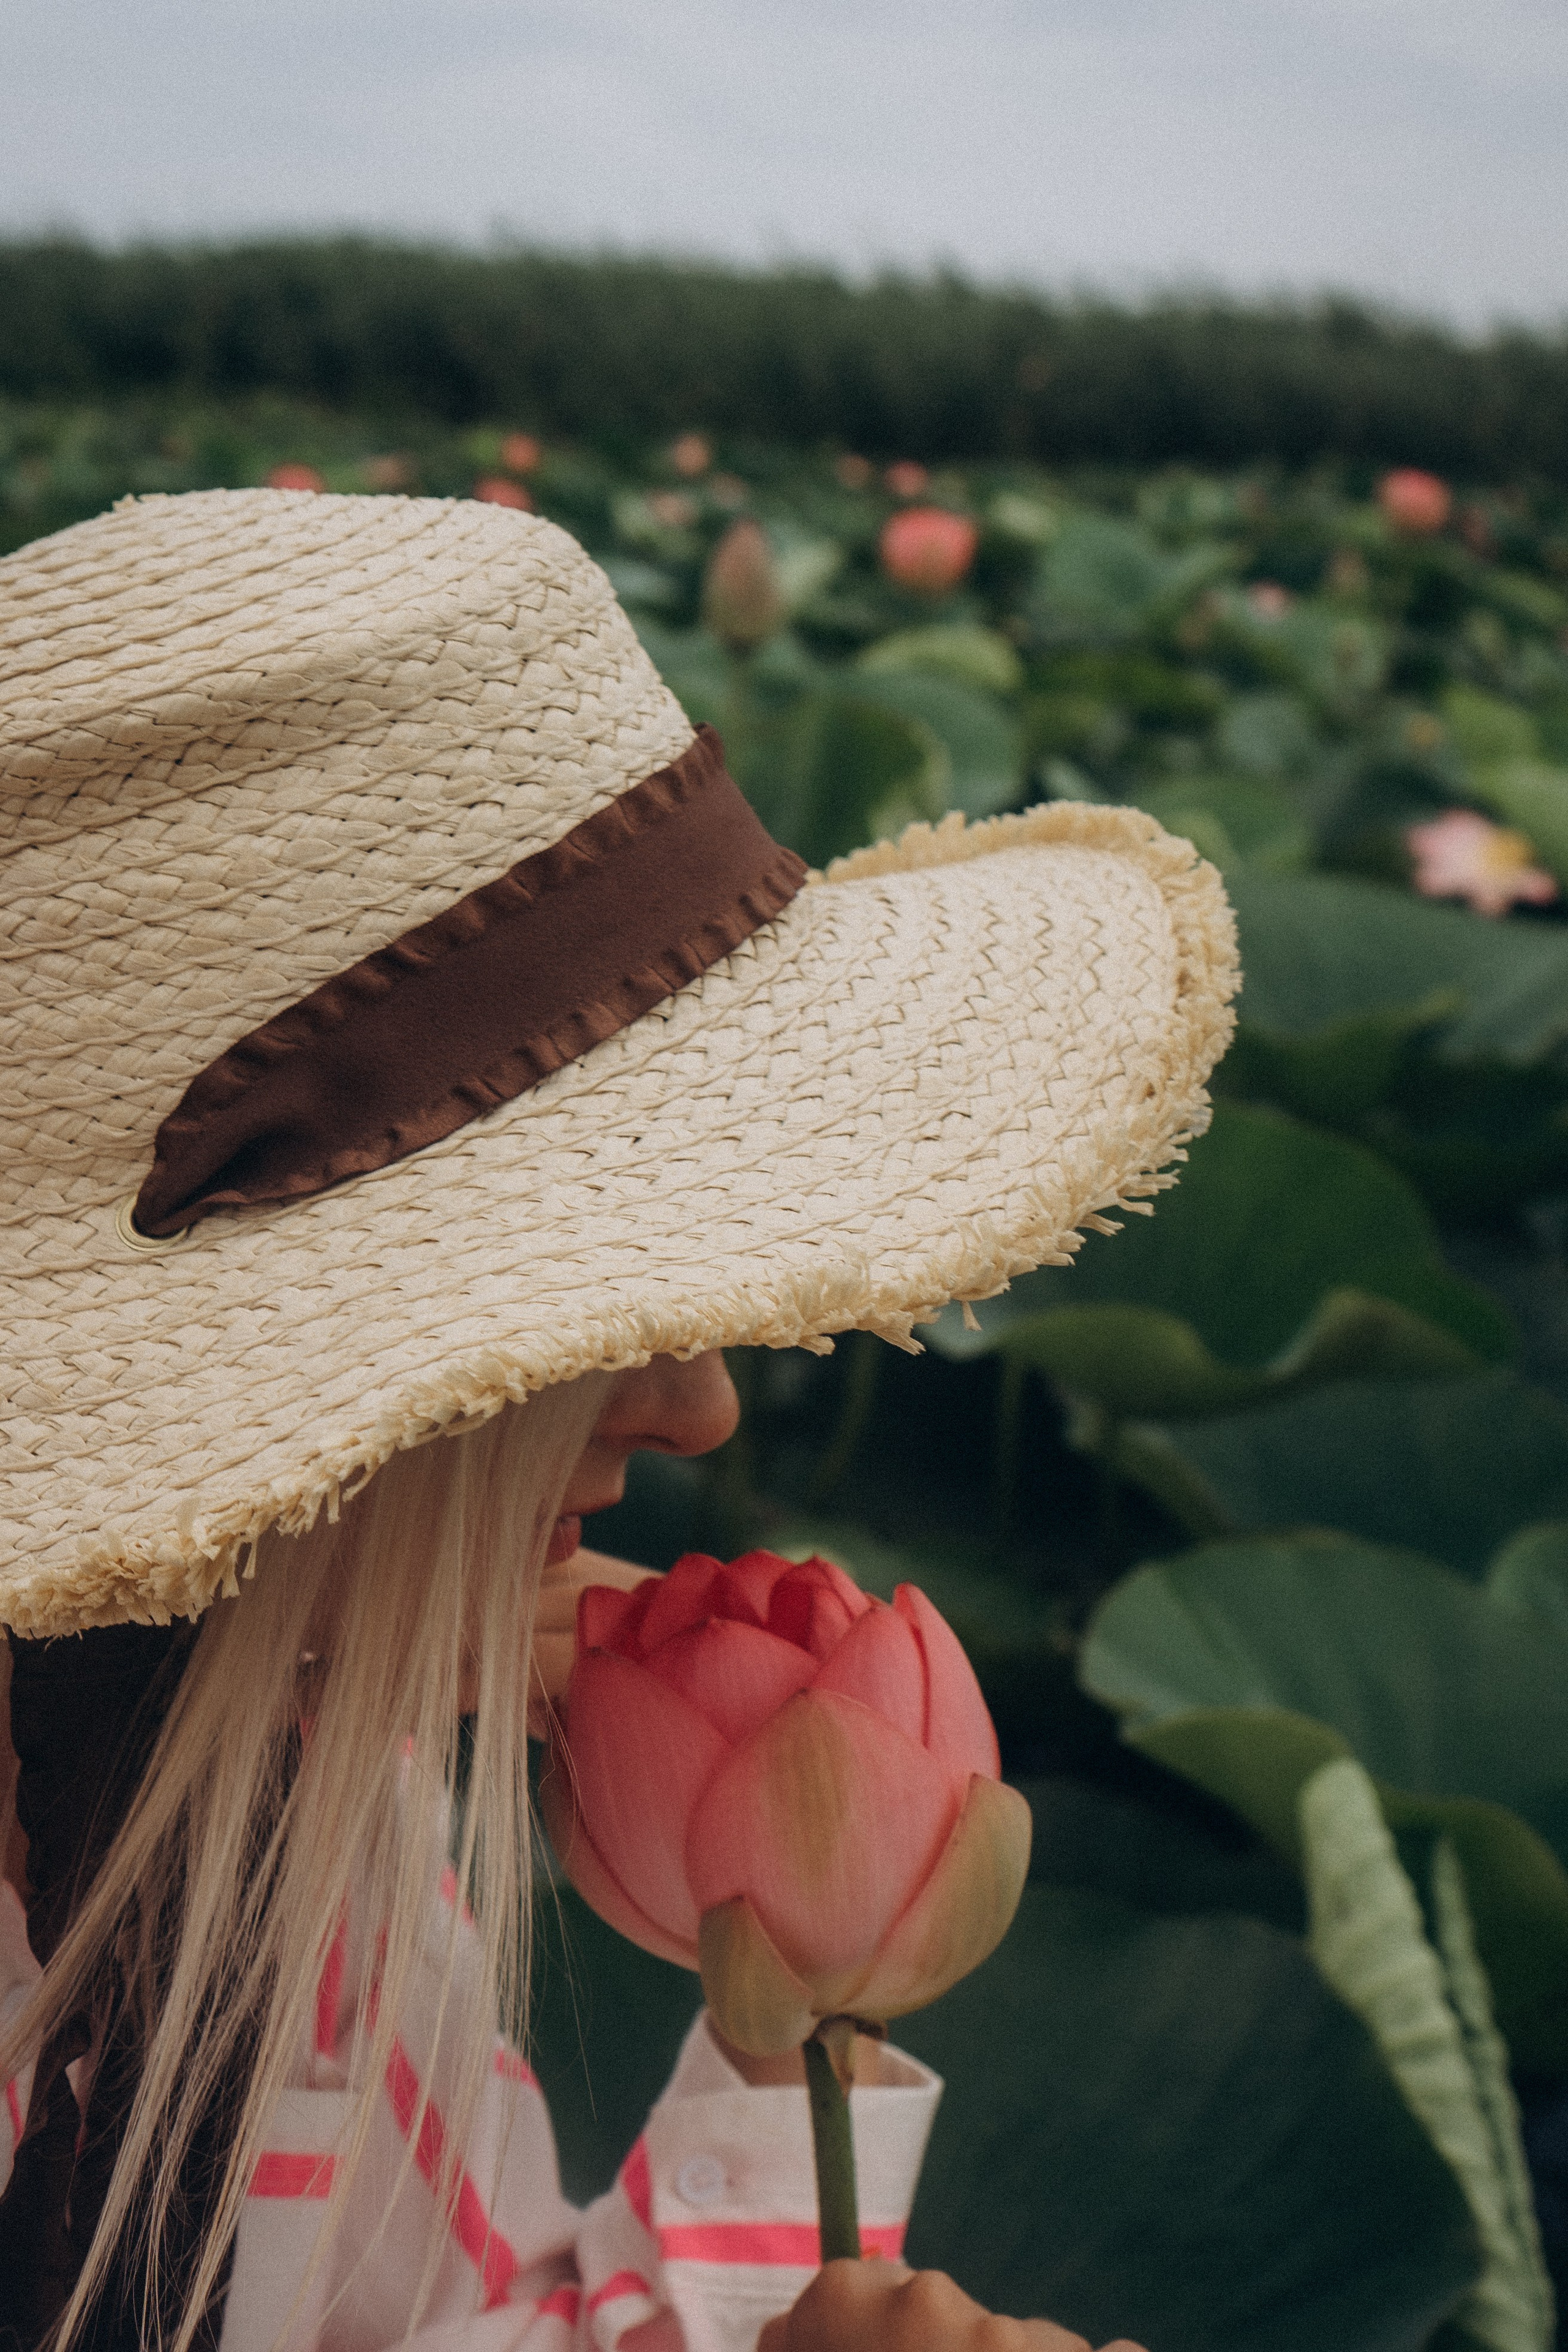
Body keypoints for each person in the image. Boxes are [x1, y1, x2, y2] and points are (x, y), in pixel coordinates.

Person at [0, 488, 1237, 2351]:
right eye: (584, 1301)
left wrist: (789, 1985)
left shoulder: (297, 1790)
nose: (700, 1401)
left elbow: (453, 2322)